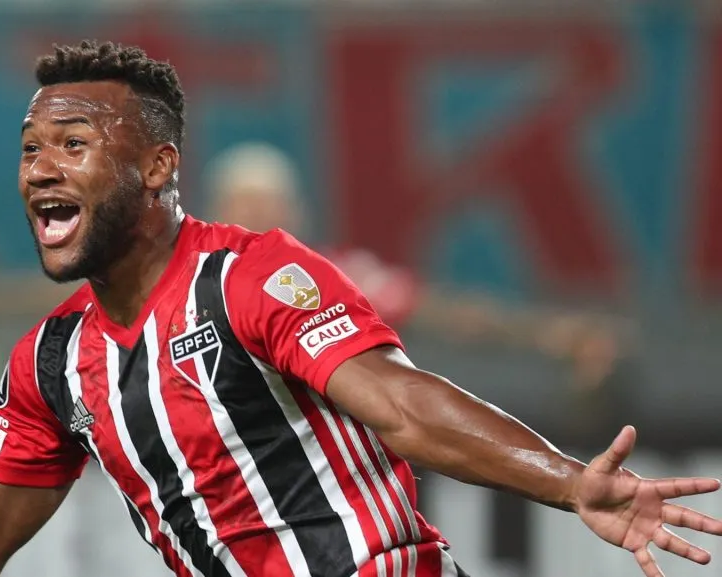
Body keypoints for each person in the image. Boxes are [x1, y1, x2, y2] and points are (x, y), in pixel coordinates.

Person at [0, 41, 722, 577]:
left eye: (73, 144)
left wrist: (568, 479)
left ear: (160, 167)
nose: (40, 169)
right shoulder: (52, 364)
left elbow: (403, 406)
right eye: (31, 150)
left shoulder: (257, 277)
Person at [205, 142, 639, 446]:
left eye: (268, 204)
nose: (257, 217)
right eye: (245, 204)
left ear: (297, 212)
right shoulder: (185, 289)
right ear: (217, 213)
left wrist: (557, 335)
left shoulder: (331, 275)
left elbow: (444, 313)